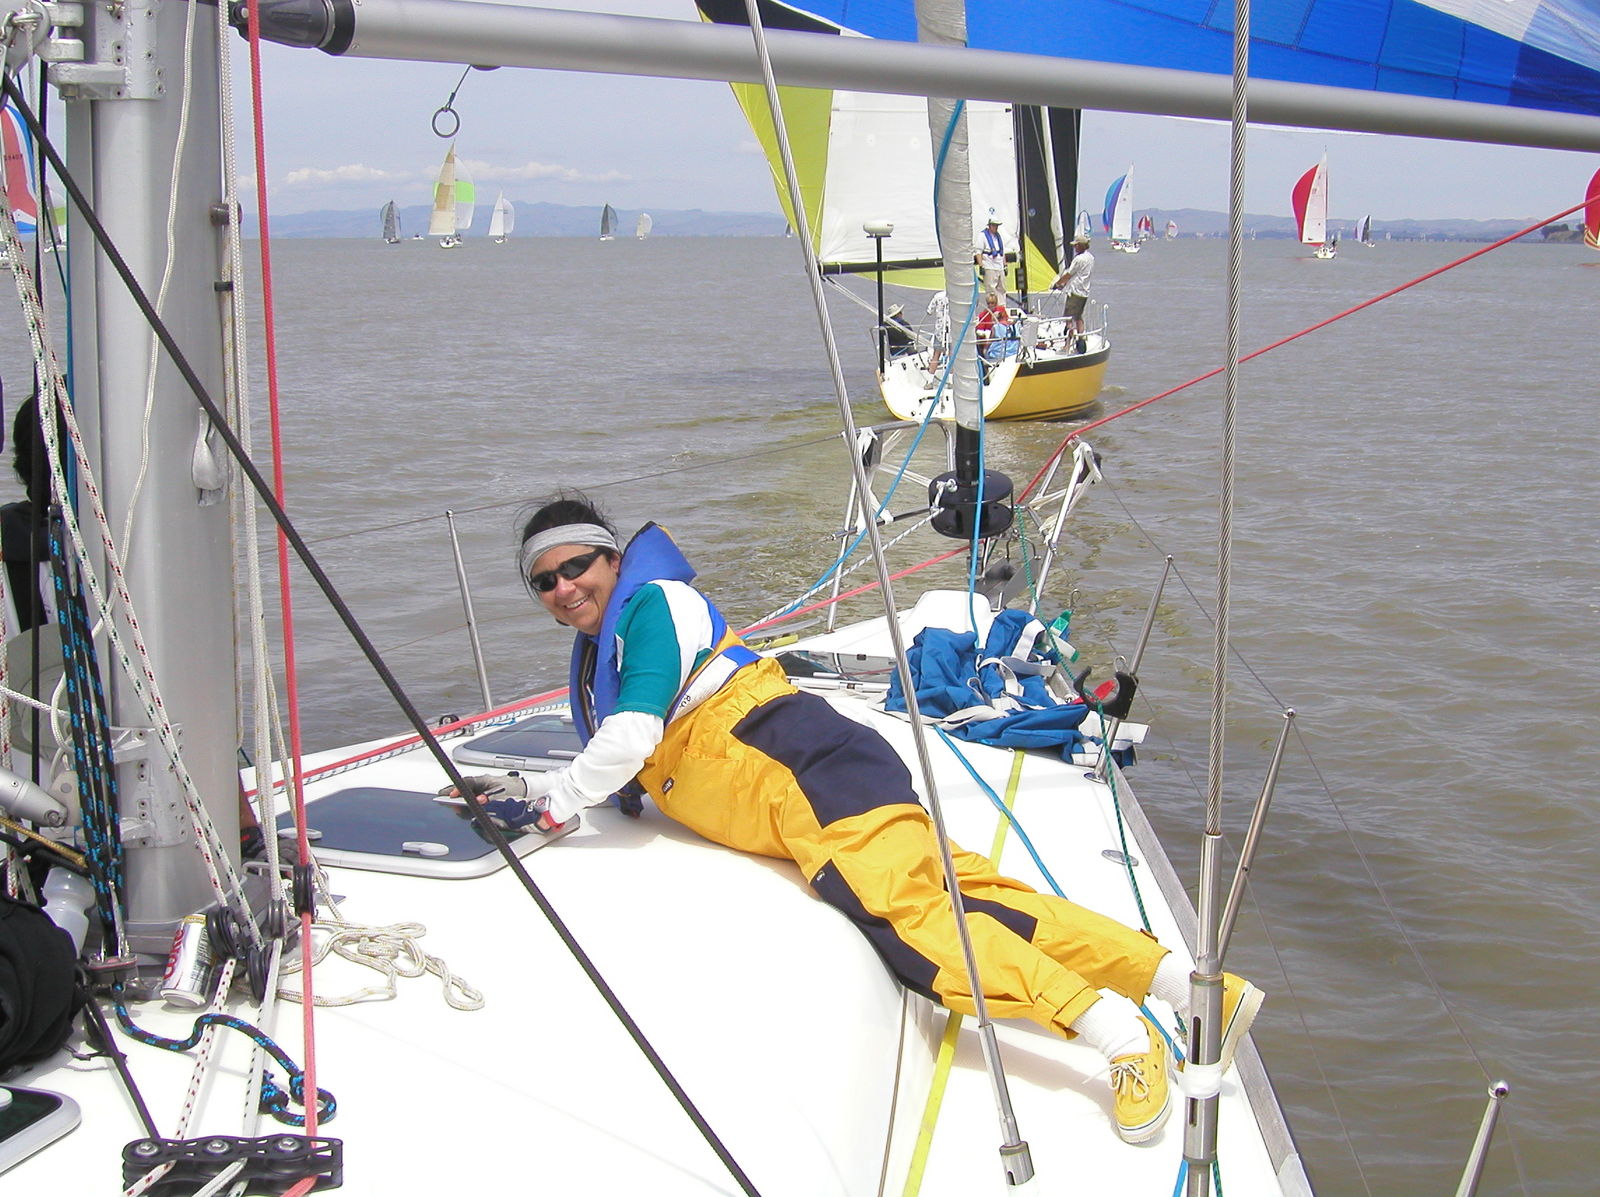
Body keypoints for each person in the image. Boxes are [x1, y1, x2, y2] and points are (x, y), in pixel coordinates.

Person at [442, 495, 1266, 1145]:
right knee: (974, 899)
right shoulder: (610, 640)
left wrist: (549, 805)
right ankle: (1193, 992)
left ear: (613, 559)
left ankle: (1121, 1037)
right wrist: (527, 785)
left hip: (810, 774)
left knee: (911, 926)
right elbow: (627, 749)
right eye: (544, 581)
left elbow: (630, 736)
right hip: (820, 775)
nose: (564, 589)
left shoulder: (653, 605)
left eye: (576, 566)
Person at [1051, 233, 1095, 341]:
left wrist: (1057, 284)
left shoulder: (1078, 259)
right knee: (1078, 316)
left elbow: (1069, 274)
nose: (1074, 247)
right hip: (1084, 292)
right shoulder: (1091, 257)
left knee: (1069, 318)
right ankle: (1081, 338)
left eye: (1076, 245)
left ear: (1080, 245)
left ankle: (1068, 343)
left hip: (1075, 292)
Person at [974, 290, 1017, 362]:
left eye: (992, 303)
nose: (990, 305)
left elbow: (1006, 322)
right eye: (989, 303)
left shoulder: (1001, 311)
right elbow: (980, 329)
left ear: (996, 303)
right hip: (991, 340)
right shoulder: (983, 315)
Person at [977, 216, 1007, 295]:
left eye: (997, 225)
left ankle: (1001, 303)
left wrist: (1005, 265)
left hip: (1000, 266)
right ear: (989, 225)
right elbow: (978, 252)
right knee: (991, 290)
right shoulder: (982, 236)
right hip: (989, 266)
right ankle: (993, 303)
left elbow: (1002, 252)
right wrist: (981, 266)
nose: (995, 227)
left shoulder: (998, 236)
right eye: (993, 225)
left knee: (1002, 289)